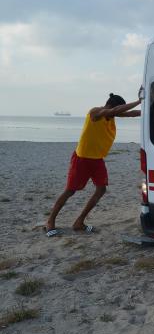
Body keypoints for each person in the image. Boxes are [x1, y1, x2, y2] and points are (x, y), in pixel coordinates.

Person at [44, 94, 141, 236]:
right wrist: (139, 100)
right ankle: (50, 221)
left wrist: (151, 109)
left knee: (101, 189)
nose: (119, 114)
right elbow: (114, 111)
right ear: (111, 106)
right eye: (118, 110)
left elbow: (132, 113)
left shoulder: (111, 115)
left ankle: (79, 222)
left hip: (97, 160)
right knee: (70, 191)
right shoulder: (95, 112)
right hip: (82, 159)